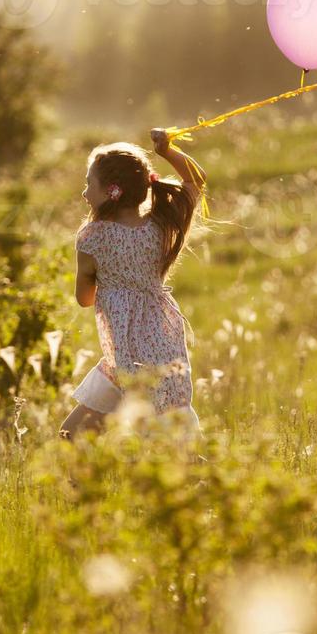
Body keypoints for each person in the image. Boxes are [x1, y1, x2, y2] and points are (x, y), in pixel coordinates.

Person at [59, 128, 205, 439]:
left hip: (128, 356)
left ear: (113, 191)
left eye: (89, 184)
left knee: (74, 437)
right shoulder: (161, 225)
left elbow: (84, 298)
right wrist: (168, 152)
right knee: (169, 441)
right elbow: (195, 181)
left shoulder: (93, 237)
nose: (84, 193)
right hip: (145, 353)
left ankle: (207, 480)